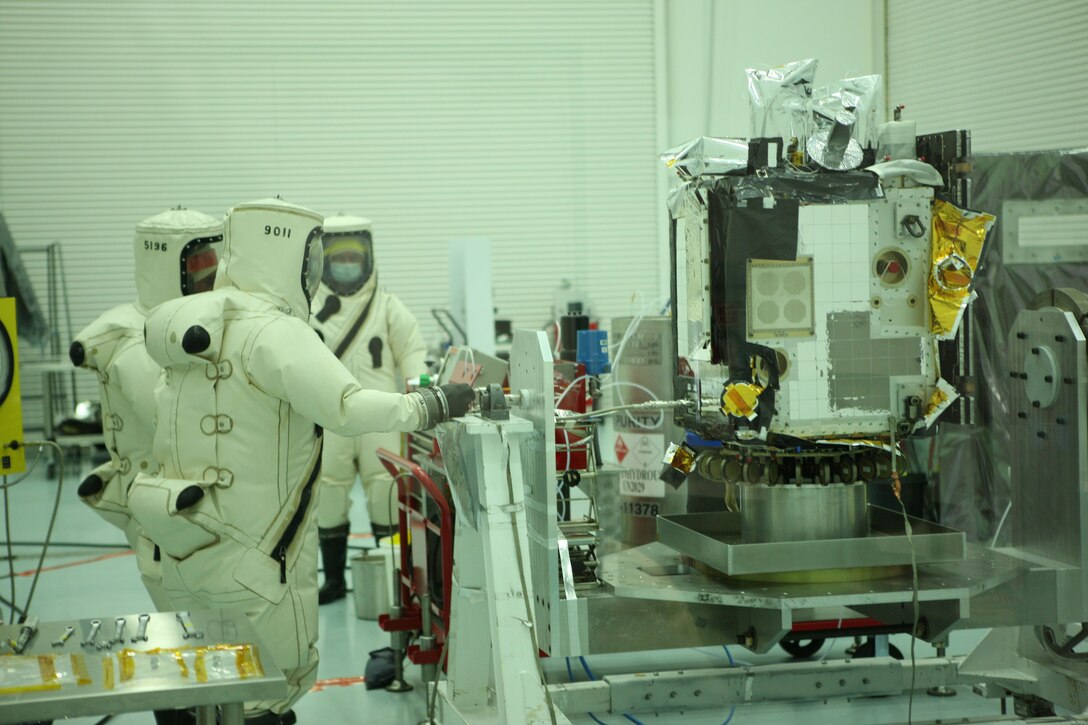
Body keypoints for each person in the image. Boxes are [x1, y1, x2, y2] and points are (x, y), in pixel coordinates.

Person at [128, 198, 474, 724]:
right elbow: (346, 404)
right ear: (288, 254)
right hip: (253, 558)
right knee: (267, 686)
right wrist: (433, 404)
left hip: (184, 539)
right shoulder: (274, 331)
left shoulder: (191, 326)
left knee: (198, 681)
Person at [70, 207, 222, 612]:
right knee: (193, 630)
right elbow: (175, 422)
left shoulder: (187, 326)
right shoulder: (136, 342)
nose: (209, 282)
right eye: (199, 272)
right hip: (166, 521)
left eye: (213, 270)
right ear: (168, 265)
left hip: (199, 511)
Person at [310, 215, 427, 604]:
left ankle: (393, 572)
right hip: (330, 418)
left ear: (369, 255)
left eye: (354, 255)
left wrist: (421, 389)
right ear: (324, 259)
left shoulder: (388, 307)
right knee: (328, 493)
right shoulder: (308, 310)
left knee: (385, 492)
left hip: (380, 417)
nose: (347, 263)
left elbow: (412, 353)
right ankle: (333, 580)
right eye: (339, 256)